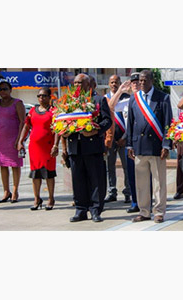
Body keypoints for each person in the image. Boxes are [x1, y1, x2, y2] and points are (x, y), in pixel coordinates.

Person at [62, 74, 112, 222]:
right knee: (78, 181)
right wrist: (63, 130)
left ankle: (95, 210)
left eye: (81, 83)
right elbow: (62, 120)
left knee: (96, 180)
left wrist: (95, 130)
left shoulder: (98, 100)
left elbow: (107, 121)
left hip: (92, 147)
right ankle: (80, 209)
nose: (77, 85)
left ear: (89, 84)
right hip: (75, 147)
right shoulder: (69, 102)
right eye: (75, 83)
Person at [126, 70, 173, 223]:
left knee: (159, 181)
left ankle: (159, 212)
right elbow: (130, 124)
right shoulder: (134, 98)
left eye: (145, 80)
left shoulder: (163, 97)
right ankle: (144, 211)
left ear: (152, 80)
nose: (142, 83)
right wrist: (129, 145)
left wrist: (166, 144)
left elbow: (168, 124)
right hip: (139, 146)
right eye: (140, 80)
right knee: (141, 182)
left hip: (156, 147)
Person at [17, 88, 59, 210]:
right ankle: (37, 199)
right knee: (35, 174)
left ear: (50, 97)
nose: (41, 98)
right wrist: (21, 141)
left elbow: (57, 129)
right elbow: (26, 126)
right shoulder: (32, 111)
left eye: (44, 96)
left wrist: (56, 145)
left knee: (49, 174)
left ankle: (51, 198)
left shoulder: (54, 111)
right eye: (39, 96)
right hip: (35, 147)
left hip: (48, 147)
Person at [108, 72, 143, 213]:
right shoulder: (127, 101)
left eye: (138, 82)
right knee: (131, 173)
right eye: (133, 82)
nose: (135, 84)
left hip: (144, 143)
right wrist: (121, 90)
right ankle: (135, 201)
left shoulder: (148, 100)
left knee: (146, 175)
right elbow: (111, 106)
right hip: (131, 144)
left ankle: (147, 201)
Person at [0, 81, 26, 203]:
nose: (2, 91)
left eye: (5, 89)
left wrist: (19, 140)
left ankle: (15, 190)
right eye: (0, 89)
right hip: (0, 139)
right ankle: (6, 191)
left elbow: (23, 122)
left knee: (15, 165)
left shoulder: (17, 103)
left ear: (10, 90)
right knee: (2, 165)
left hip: (14, 138)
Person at [104, 75, 132, 204]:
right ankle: (112, 191)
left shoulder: (127, 99)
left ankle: (128, 192)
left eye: (116, 82)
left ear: (120, 84)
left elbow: (131, 120)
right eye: (112, 82)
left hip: (124, 138)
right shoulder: (105, 99)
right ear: (109, 84)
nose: (114, 84)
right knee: (110, 166)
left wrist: (125, 137)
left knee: (127, 167)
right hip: (110, 140)